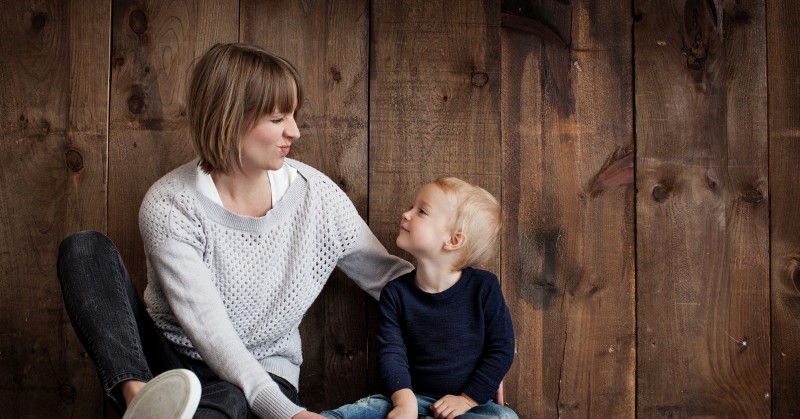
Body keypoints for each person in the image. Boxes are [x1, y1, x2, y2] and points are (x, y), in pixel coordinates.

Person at [56, 42, 413, 418]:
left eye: (293, 115)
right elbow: (210, 331)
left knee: (227, 399)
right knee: (84, 250)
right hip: (169, 365)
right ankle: (140, 400)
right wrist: (291, 415)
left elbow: (389, 278)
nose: (294, 131)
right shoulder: (170, 204)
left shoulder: (317, 198)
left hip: (263, 374)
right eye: (277, 119)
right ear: (228, 118)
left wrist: (476, 299)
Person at [321, 177, 518, 419]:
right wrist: (404, 402)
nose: (406, 214)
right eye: (412, 207)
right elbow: (391, 353)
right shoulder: (396, 293)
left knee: (504, 417)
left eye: (421, 211)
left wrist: (468, 399)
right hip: (411, 397)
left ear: (453, 240)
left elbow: (502, 348)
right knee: (363, 410)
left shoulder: (484, 287)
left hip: (469, 405)